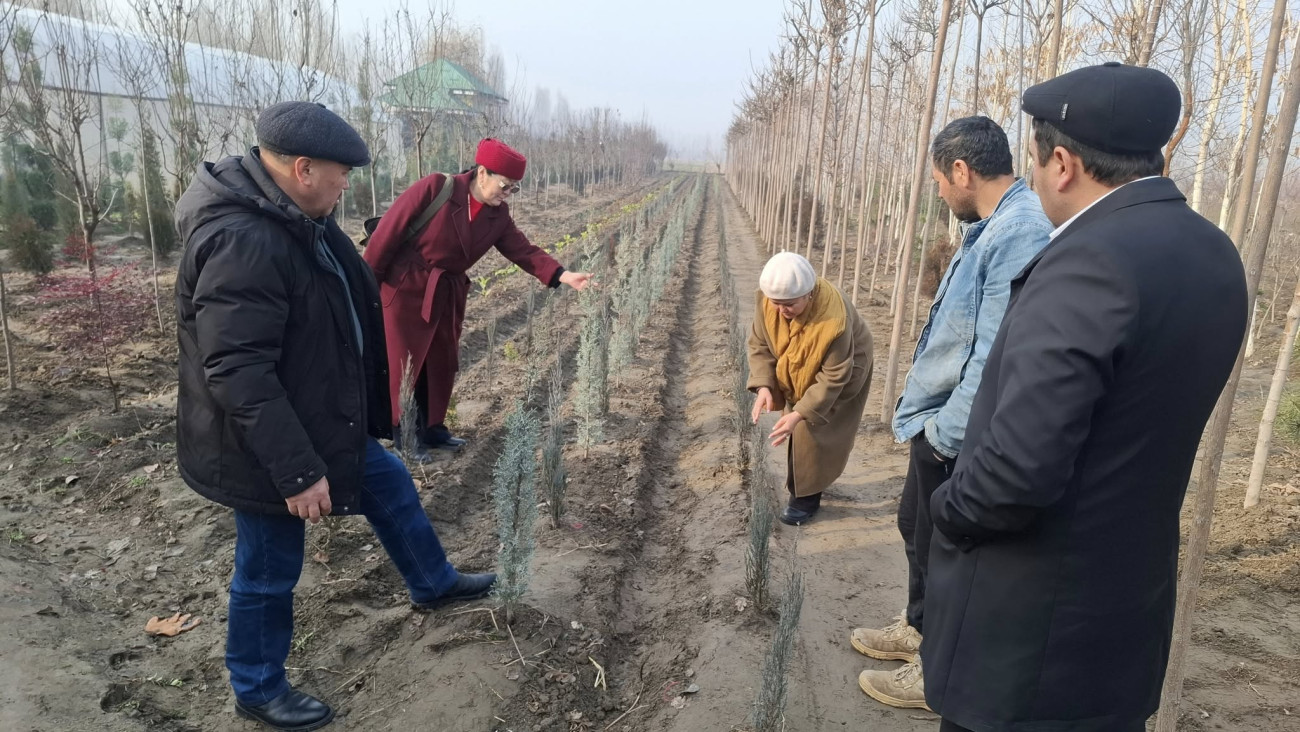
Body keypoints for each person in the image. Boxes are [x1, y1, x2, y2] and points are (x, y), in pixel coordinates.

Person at [920, 63, 1248, 732]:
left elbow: (1017, 469)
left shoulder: (1088, 261)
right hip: (1125, 613)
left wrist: (947, 508)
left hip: (1031, 639)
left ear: (1062, 164)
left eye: (1037, 164)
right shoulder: (1214, 253)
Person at [175, 102, 496, 732]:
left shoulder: (299, 219)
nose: (347, 184)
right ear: (302, 169)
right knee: (269, 566)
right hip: (265, 444)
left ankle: (432, 582)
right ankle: (257, 687)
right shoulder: (246, 240)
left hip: (318, 418)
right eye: (341, 173)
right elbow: (239, 372)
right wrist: (297, 472)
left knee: (391, 485)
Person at [854, 116, 1051, 710]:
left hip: (954, 429)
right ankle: (918, 628)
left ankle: (935, 668)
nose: (938, 191)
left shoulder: (1020, 231)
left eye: (939, 180)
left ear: (962, 171)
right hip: (935, 419)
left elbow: (994, 353)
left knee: (946, 553)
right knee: (915, 528)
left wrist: (945, 435)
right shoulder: (992, 225)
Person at [362, 139, 593, 458]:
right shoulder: (436, 188)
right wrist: (365, 289)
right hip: (405, 289)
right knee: (405, 361)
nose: (507, 193)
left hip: (446, 293)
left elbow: (522, 250)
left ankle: (431, 427)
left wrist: (562, 274)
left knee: (441, 361)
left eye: (514, 188)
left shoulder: (498, 216)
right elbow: (386, 235)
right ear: (482, 173)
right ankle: (404, 431)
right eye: (505, 185)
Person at [747, 251, 873, 525]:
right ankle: (808, 484)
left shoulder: (833, 321)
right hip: (806, 364)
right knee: (800, 416)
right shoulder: (768, 301)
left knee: (814, 428)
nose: (782, 311)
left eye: (790, 305)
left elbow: (833, 375)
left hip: (846, 368)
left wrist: (799, 413)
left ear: (810, 294)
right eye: (776, 304)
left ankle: (805, 497)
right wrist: (764, 385)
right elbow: (760, 344)